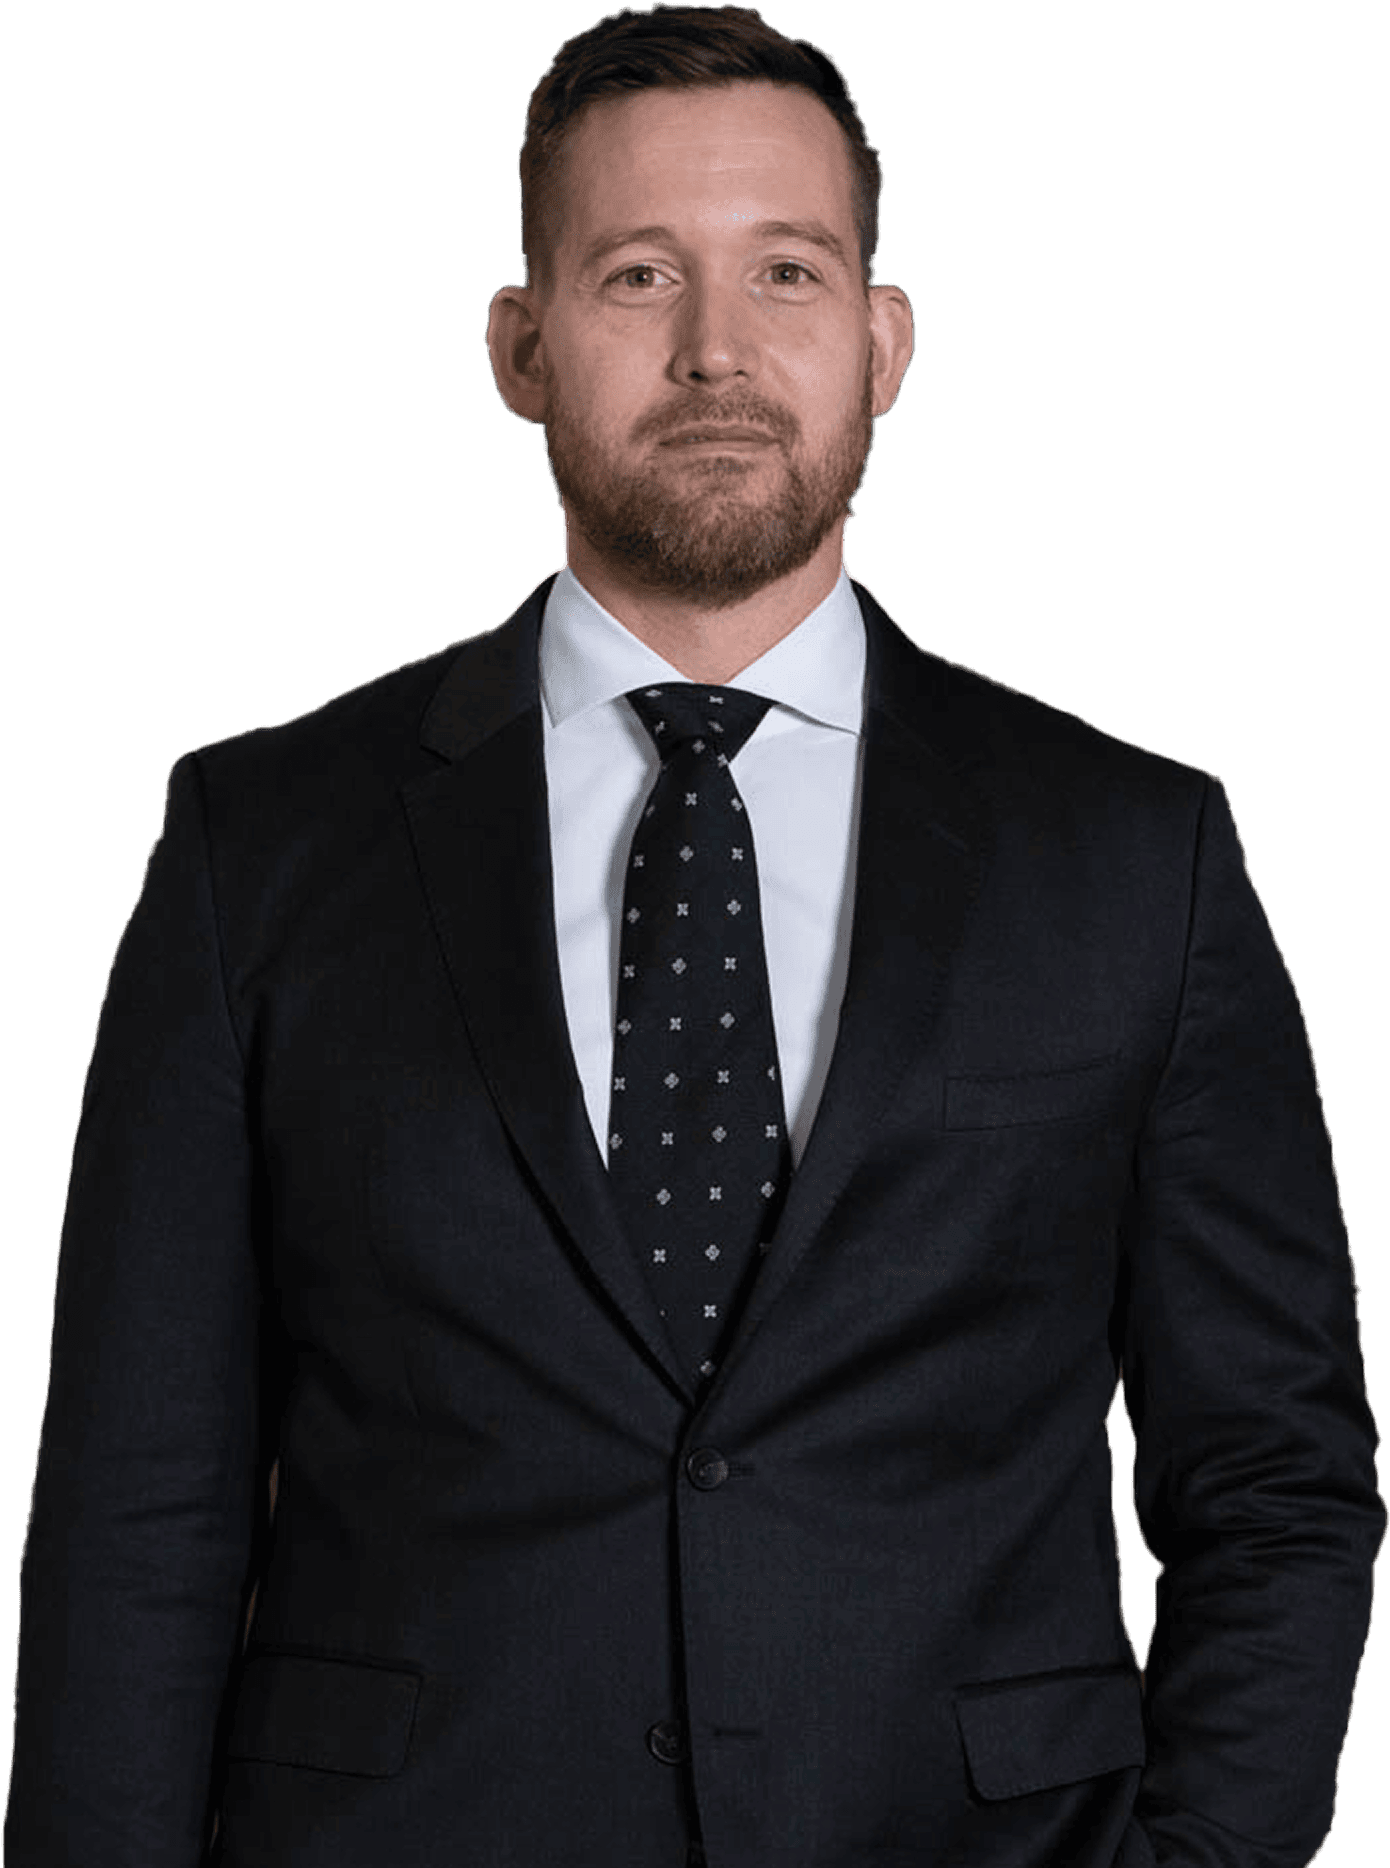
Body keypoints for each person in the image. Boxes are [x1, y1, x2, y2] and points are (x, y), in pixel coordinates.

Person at [4, 6, 1383, 1866]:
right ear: (521, 342)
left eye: (788, 273)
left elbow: (1276, 1479)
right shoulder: (262, 840)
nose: (717, 349)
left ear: (883, 344)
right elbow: (136, 1505)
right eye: (637, 271)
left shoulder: (1137, 851)